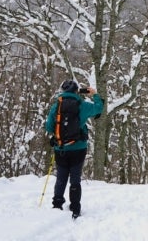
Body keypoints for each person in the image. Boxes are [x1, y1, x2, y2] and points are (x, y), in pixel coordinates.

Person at [45, 80, 103, 219]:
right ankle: (75, 207)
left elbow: (48, 126)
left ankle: (57, 204)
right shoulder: (82, 105)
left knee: (61, 177)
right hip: (78, 148)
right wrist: (94, 94)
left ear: (63, 90)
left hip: (61, 148)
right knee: (75, 179)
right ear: (77, 91)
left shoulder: (57, 106)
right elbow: (98, 108)